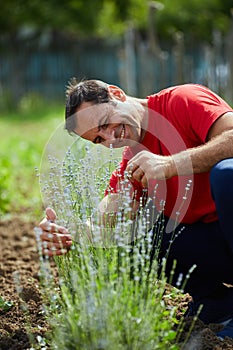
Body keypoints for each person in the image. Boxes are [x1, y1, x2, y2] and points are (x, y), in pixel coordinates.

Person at [39, 78, 233, 339]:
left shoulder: (183, 100)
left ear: (117, 94)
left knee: (227, 174)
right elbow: (110, 211)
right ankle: (219, 304)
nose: (110, 138)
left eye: (105, 123)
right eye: (99, 138)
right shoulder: (133, 160)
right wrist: (70, 231)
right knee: (138, 231)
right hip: (220, 242)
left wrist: (170, 164)